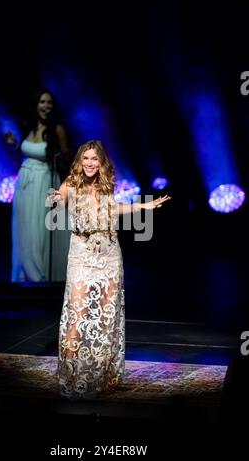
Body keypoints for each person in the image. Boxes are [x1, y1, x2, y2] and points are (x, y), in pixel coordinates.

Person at [47, 139, 171, 399]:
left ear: (101, 163)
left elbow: (115, 208)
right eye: (86, 158)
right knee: (77, 318)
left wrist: (142, 206)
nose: (90, 163)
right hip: (81, 256)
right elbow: (57, 202)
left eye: (95, 159)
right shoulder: (72, 183)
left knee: (106, 320)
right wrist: (55, 199)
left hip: (110, 256)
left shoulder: (105, 186)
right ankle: (70, 378)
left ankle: (103, 377)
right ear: (79, 162)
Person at [4, 88, 73, 282]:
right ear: (36, 105)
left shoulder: (57, 129)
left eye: (49, 103)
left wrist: (61, 155)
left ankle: (40, 274)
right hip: (25, 181)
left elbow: (67, 157)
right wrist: (15, 145)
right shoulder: (29, 126)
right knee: (24, 227)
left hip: (45, 180)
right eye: (43, 102)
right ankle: (25, 273)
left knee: (39, 228)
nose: (46, 106)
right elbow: (28, 154)